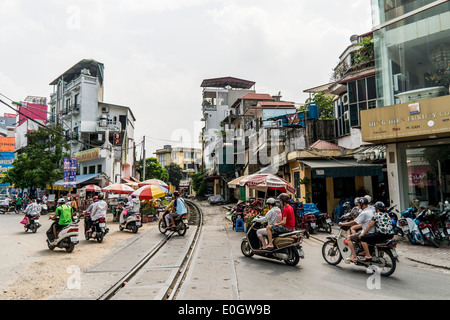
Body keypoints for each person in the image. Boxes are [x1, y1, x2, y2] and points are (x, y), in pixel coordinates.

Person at [339, 197, 375, 262]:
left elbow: (354, 222)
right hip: (372, 231)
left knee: (349, 238)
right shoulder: (371, 210)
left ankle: (354, 256)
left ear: (362, 204)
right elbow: (364, 222)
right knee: (353, 228)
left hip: (367, 233)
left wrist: (343, 224)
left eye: (359, 204)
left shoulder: (364, 213)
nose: (358, 205)